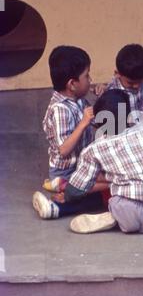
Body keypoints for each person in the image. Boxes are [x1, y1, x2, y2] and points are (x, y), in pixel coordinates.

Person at [63, 89, 143, 234]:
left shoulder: (95, 149)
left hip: (127, 213)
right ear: (129, 116)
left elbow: (75, 191)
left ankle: (114, 217)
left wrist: (67, 195)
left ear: (98, 123)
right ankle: (122, 217)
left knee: (114, 196)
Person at [32, 45, 104, 218]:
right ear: (72, 84)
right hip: (68, 171)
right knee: (112, 182)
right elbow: (63, 150)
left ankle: (66, 192)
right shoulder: (60, 109)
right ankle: (65, 189)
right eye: (86, 76)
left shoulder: (77, 100)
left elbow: (98, 121)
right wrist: (83, 123)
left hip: (83, 164)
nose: (90, 79)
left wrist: (103, 97)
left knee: (109, 179)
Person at [105, 44, 143, 116]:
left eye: (140, 81)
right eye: (130, 83)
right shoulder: (112, 92)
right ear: (117, 74)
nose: (136, 86)